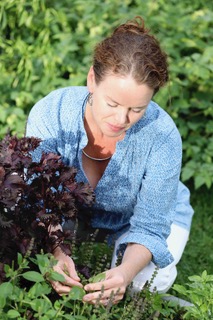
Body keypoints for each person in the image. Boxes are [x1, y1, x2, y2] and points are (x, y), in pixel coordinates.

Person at [26, 16, 194, 305]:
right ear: (92, 80)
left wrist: (125, 273)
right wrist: (56, 251)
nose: (120, 119)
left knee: (150, 281)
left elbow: (151, 224)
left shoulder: (163, 135)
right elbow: (39, 197)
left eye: (136, 109)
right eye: (112, 104)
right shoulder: (51, 113)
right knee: (31, 254)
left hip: (137, 220)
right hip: (73, 219)